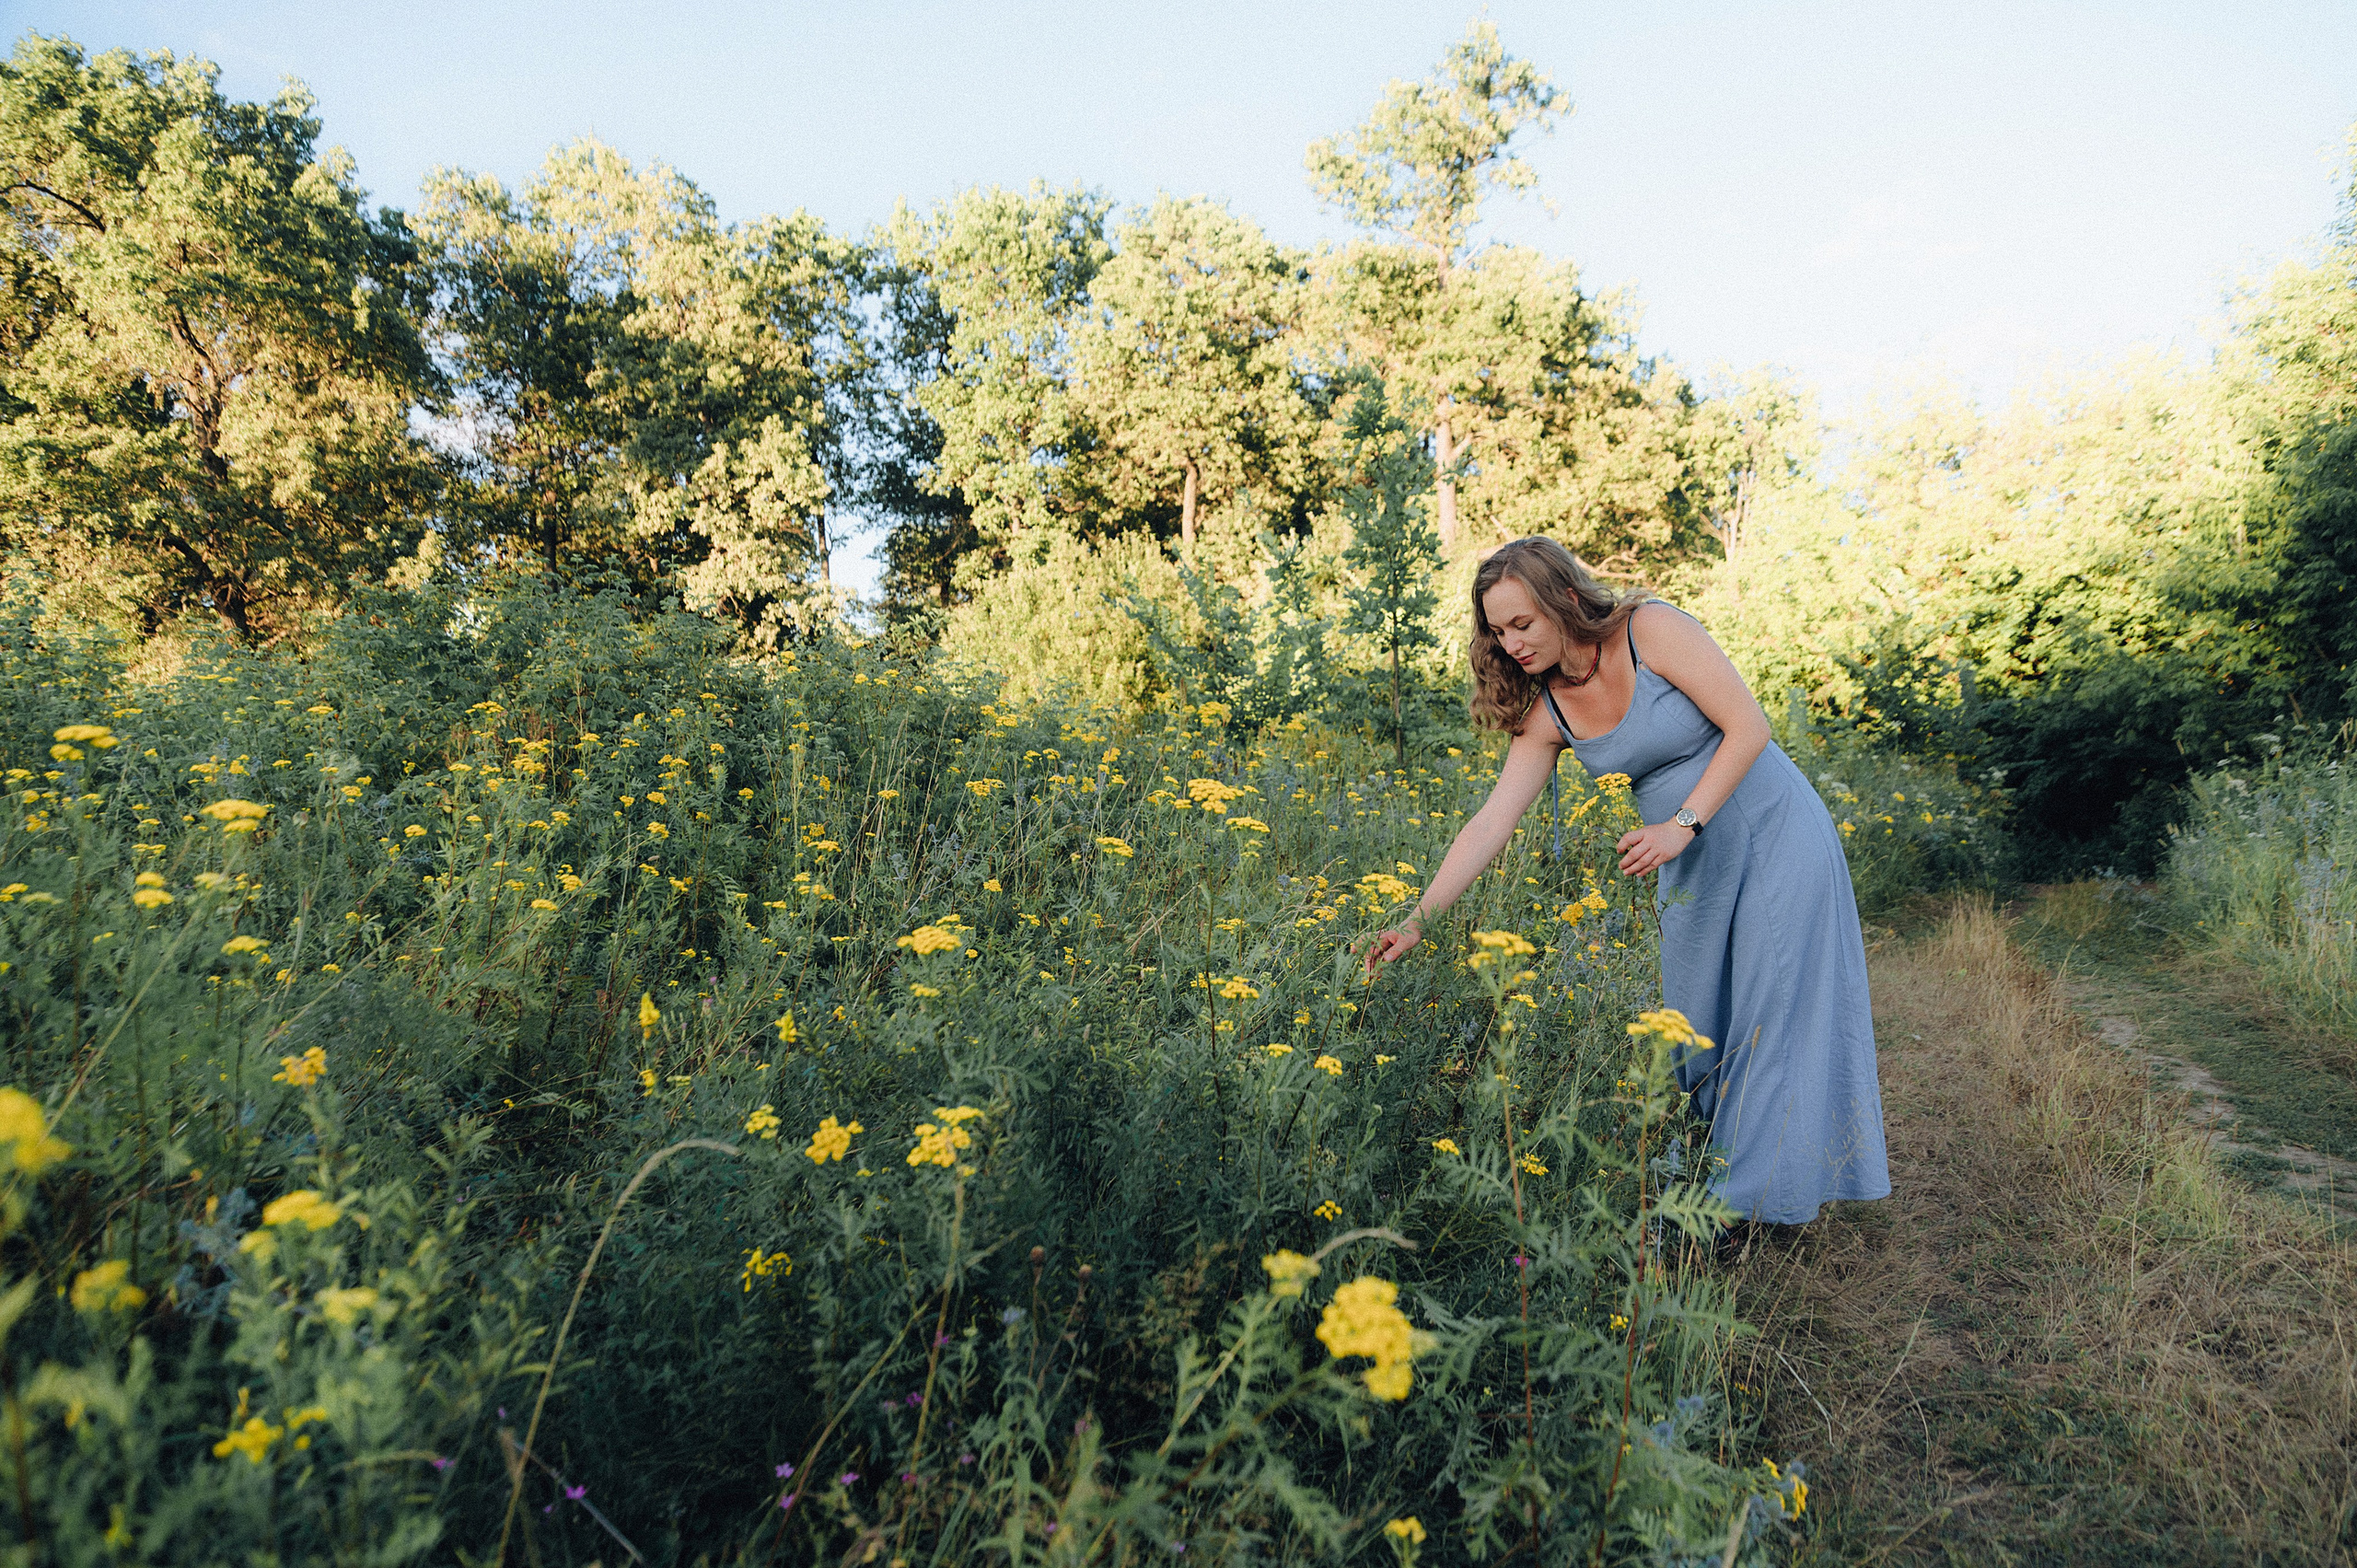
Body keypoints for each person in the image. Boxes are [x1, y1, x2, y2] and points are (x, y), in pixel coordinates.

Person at [1364, 536, 1890, 1229]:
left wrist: (1682, 823)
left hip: (1771, 829)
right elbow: (1489, 825)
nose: (1511, 642)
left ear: (1567, 600)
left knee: (1771, 1007)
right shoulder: (1548, 713)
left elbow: (1748, 726)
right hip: (1694, 863)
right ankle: (1716, 1168)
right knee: (1696, 1024)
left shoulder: (1650, 630)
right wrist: (1417, 921)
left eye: (1522, 623)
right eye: (1497, 631)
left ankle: (1733, 1214)